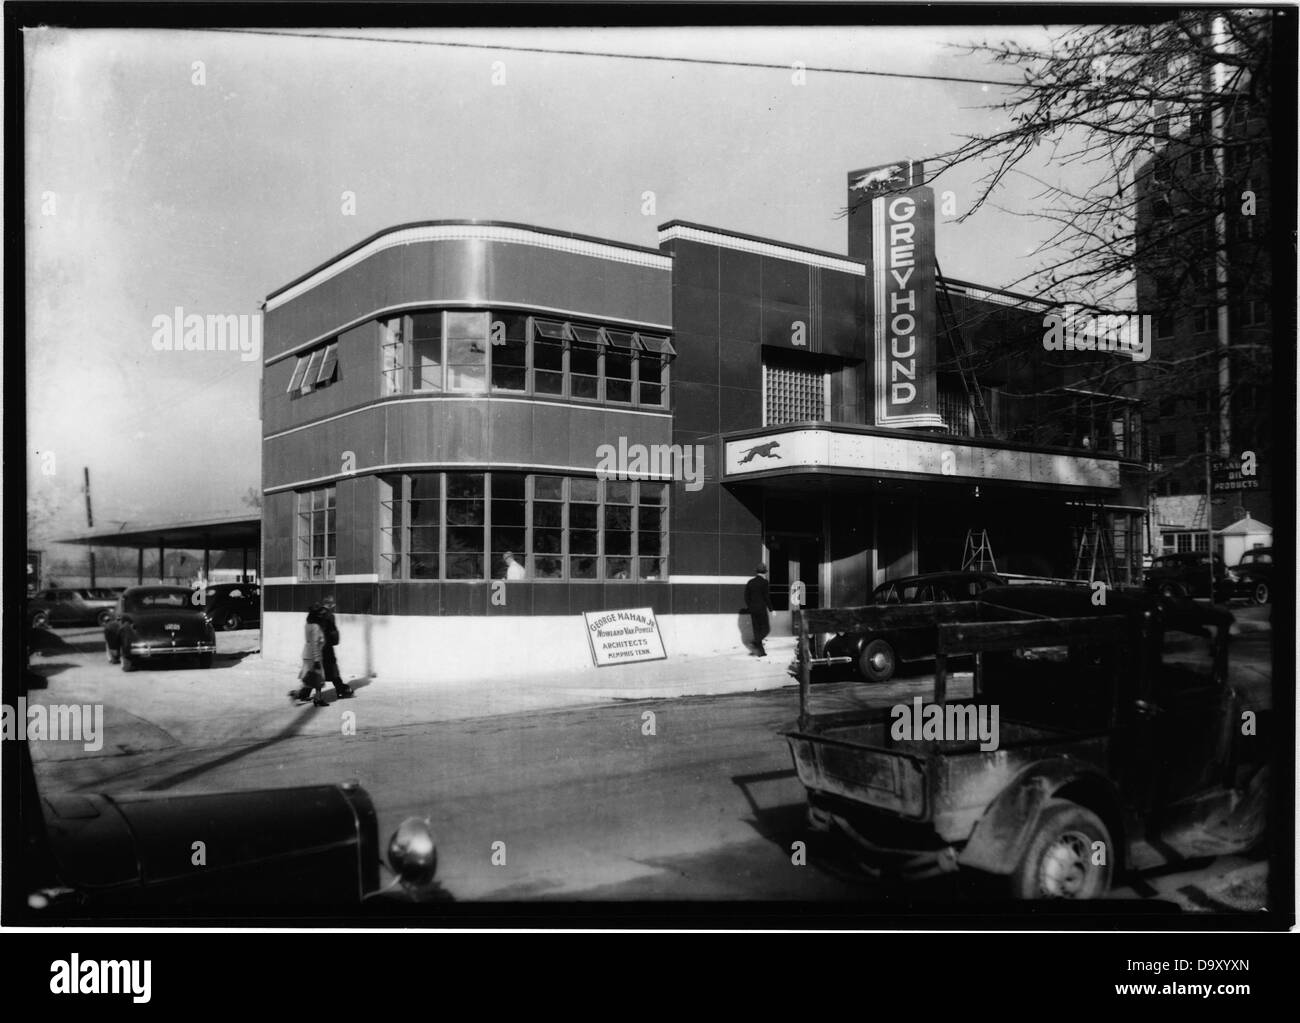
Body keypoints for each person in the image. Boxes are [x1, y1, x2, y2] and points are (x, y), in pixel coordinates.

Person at [289, 604, 330, 707]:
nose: (322, 616)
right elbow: (315, 643)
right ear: (317, 615)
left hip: (307, 653)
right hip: (313, 655)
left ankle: (310, 696)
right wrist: (316, 660)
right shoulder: (316, 627)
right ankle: (300, 695)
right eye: (320, 614)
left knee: (311, 679)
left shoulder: (308, 624)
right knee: (316, 679)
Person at [318, 594, 354, 699]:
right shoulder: (330, 615)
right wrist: (335, 640)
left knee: (317, 671)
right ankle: (341, 691)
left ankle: (303, 693)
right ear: (329, 605)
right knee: (333, 670)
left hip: (317, 647)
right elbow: (333, 633)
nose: (334, 606)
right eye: (333, 604)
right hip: (327, 647)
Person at [744, 564, 771, 657]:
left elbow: (746, 597)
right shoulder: (764, 582)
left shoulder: (750, 582)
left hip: (753, 609)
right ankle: (755, 642)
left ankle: (761, 653)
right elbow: (766, 597)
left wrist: (750, 606)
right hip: (761, 609)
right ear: (764, 573)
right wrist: (771, 609)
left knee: (757, 630)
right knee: (766, 629)